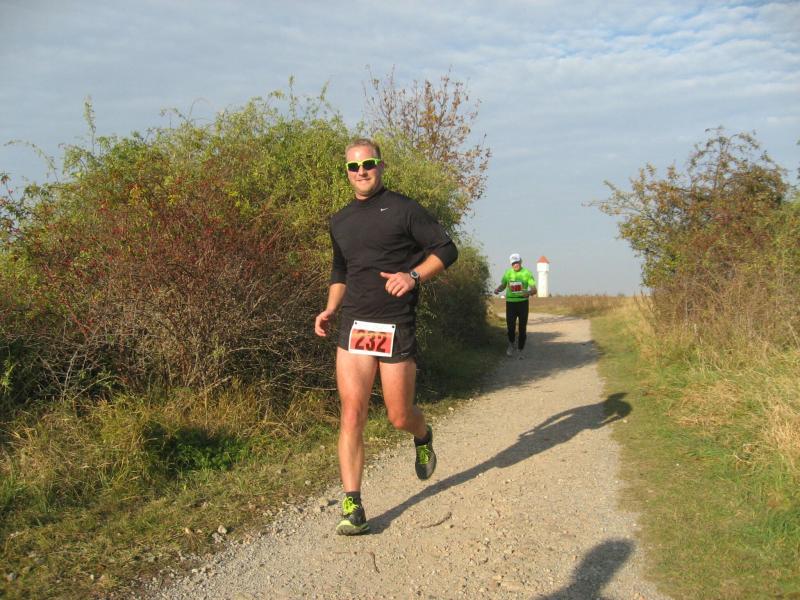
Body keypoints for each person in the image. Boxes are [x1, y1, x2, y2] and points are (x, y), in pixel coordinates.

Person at [314, 138, 458, 535]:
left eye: (368, 164)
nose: (361, 171)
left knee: (398, 416)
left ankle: (422, 434)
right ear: (346, 172)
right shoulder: (340, 220)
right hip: (355, 326)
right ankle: (353, 505)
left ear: (381, 166)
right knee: (352, 413)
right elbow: (341, 270)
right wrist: (330, 308)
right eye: (353, 166)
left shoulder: (404, 209)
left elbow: (447, 250)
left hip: (395, 325)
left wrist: (412, 276)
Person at [494, 253, 537, 358]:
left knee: (522, 327)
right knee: (510, 326)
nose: (515, 265)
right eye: (513, 263)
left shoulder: (527, 273)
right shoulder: (508, 273)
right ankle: (511, 344)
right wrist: (498, 289)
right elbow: (503, 285)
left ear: (520, 262)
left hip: (523, 303)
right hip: (510, 303)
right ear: (511, 264)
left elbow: (534, 289)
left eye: (517, 262)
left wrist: (528, 292)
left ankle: (520, 349)